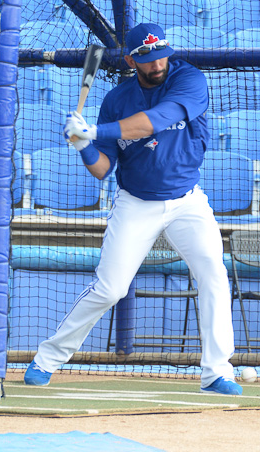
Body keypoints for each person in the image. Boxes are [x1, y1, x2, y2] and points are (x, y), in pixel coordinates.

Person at [23, 22, 241, 395]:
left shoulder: (188, 79)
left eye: (162, 57)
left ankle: (217, 372)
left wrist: (95, 132)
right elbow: (102, 169)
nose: (157, 65)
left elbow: (154, 122)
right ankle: (47, 359)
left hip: (187, 200)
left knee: (214, 275)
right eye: (149, 60)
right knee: (110, 289)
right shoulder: (117, 100)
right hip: (136, 202)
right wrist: (83, 145)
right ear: (131, 61)